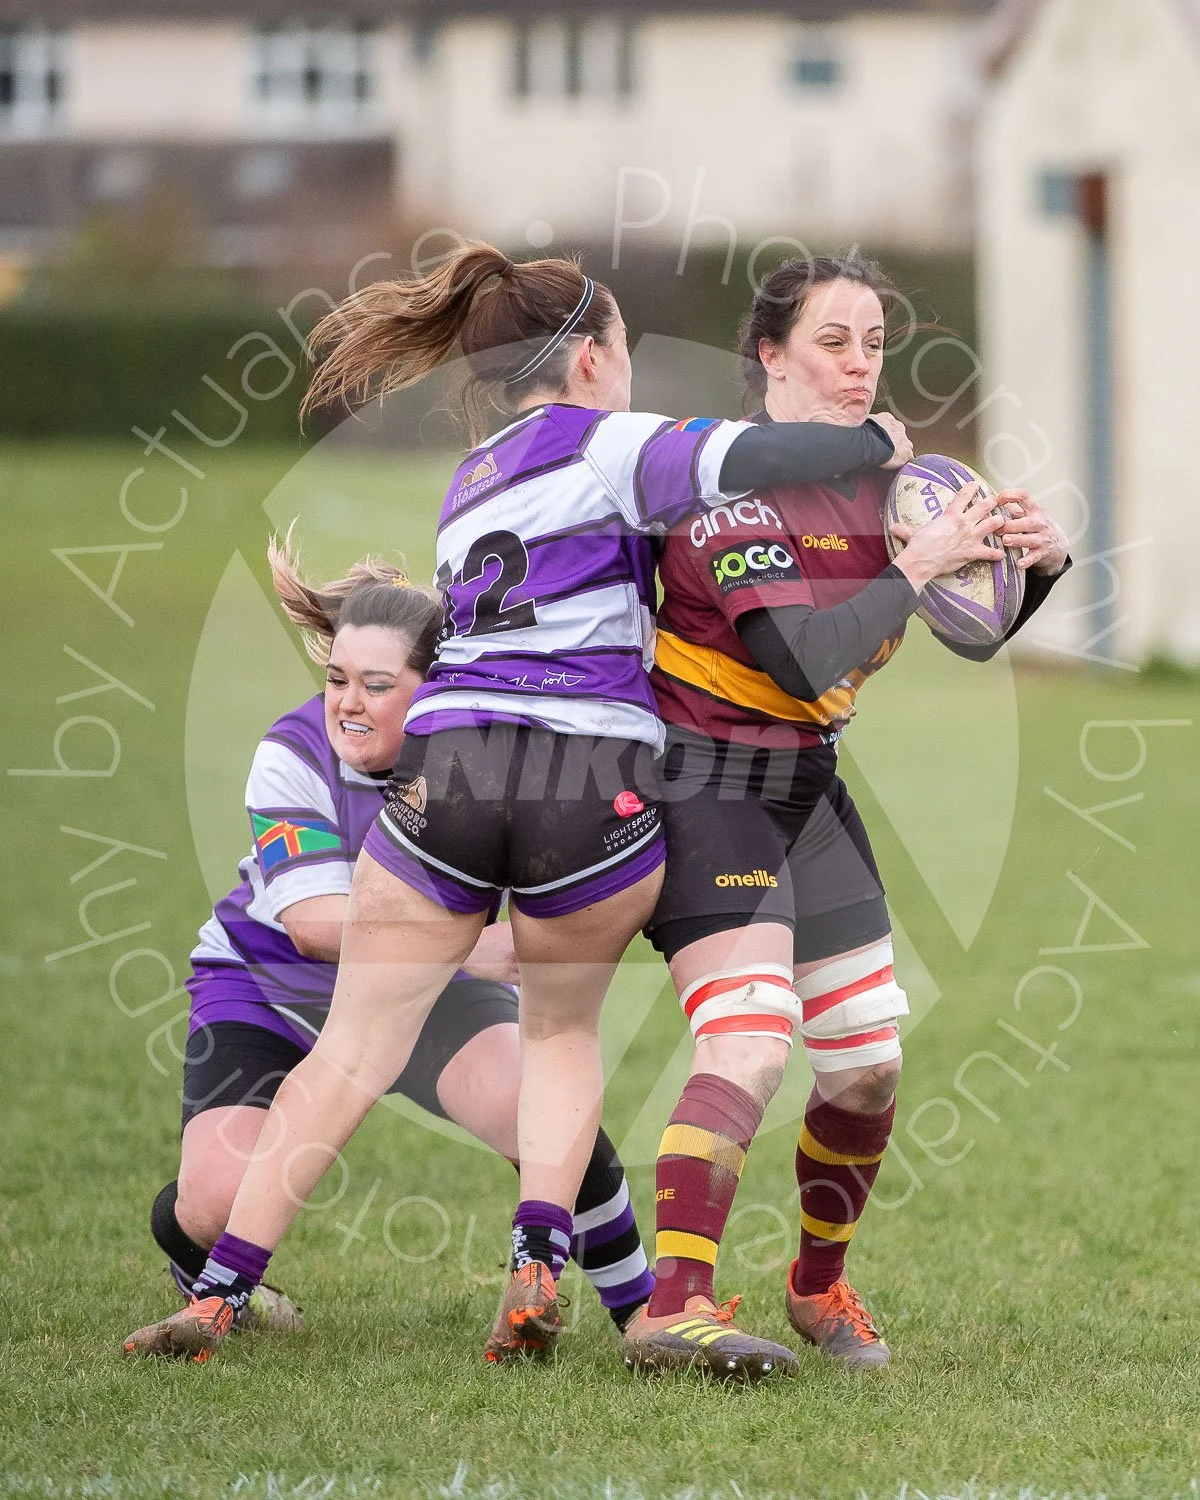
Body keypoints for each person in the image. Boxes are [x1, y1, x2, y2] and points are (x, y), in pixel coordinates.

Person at [122, 241, 913, 1370]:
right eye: (625, 350)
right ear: (590, 358)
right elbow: (765, 452)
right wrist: (876, 444)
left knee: (348, 1049)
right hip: (582, 780)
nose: (629, 372)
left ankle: (216, 1297)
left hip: (449, 772)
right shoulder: (611, 442)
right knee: (559, 1031)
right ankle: (538, 1261)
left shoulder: (472, 480)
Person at [622, 253, 1072, 1377]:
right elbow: (800, 655)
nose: (859, 366)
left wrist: (1034, 568)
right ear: (770, 357)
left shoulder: (891, 493)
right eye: (832, 342)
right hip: (707, 783)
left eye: (874, 344)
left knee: (868, 1065)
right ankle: (674, 1305)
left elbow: (974, 634)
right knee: (750, 1040)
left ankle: (816, 1287)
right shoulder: (724, 489)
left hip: (807, 790)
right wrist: (919, 567)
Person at [140, 535, 654, 1351]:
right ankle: (199, 1262)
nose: (347, 703)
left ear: (437, 685)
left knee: (533, 1111)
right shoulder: (293, 752)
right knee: (217, 1201)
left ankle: (643, 1315)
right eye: (337, 679)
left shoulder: (477, 756)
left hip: (434, 992)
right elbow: (311, 926)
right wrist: (473, 949)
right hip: (272, 989)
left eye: (377, 686)